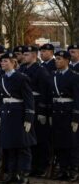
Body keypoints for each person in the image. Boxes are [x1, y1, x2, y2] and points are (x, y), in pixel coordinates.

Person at [0, 52, 36, 184]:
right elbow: (0, 99)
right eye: (1, 61)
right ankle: (12, 173)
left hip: (19, 115)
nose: (3, 64)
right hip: (6, 114)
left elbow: (29, 99)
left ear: (13, 62)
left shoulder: (21, 78)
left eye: (6, 61)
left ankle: (24, 173)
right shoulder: (2, 78)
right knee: (10, 145)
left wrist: (29, 118)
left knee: (23, 146)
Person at [20, 46, 52, 177]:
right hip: (25, 106)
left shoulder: (41, 70)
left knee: (40, 138)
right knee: (28, 139)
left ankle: (41, 166)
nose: (23, 57)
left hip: (37, 106)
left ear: (34, 55)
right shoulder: (22, 69)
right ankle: (30, 165)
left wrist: (43, 111)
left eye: (26, 54)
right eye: (23, 54)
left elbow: (45, 92)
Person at [50, 50, 79, 181]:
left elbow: (77, 99)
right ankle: (63, 169)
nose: (57, 61)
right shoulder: (54, 75)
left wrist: (76, 117)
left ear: (67, 61)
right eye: (56, 59)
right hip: (57, 111)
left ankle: (74, 170)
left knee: (72, 143)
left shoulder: (74, 76)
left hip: (68, 112)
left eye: (60, 59)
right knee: (60, 142)